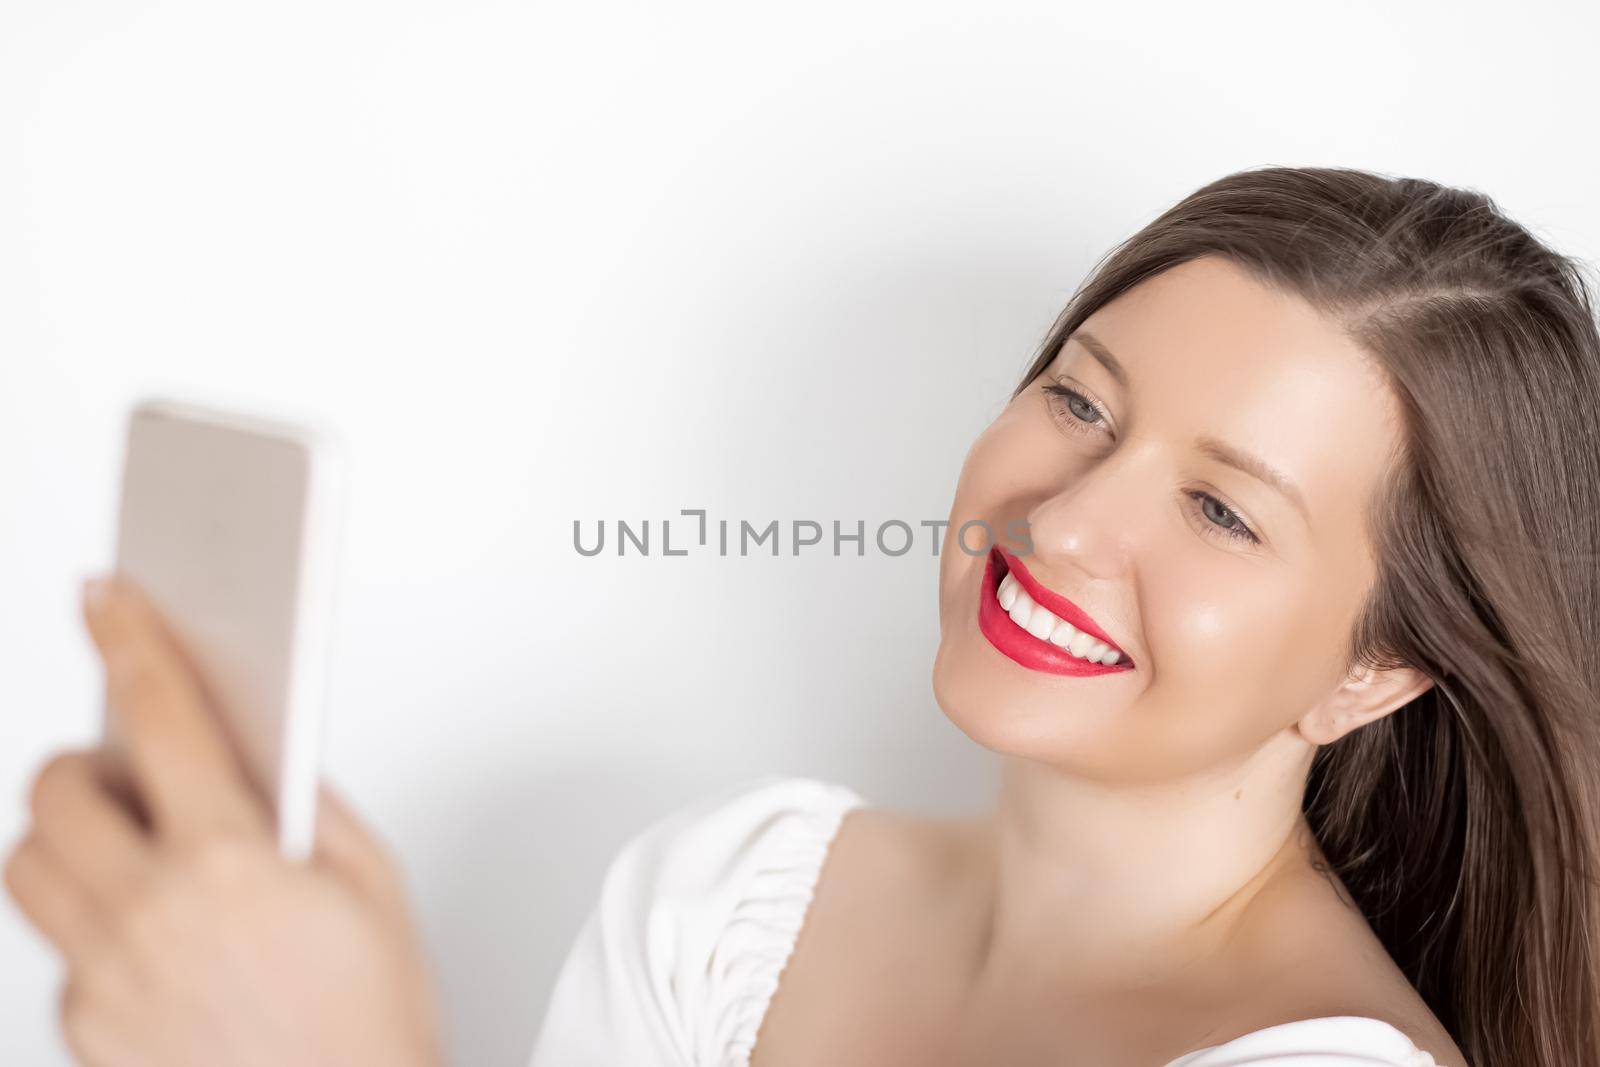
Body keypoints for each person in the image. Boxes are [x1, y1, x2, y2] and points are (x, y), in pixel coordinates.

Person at [8, 165, 1600, 1066]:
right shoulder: (728, 895)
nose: (1059, 520)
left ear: (1380, 670)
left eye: (1221, 510)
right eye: (1079, 401)